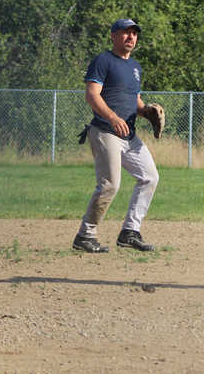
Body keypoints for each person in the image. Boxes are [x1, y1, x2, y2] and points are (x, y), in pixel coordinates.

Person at [73, 18, 160, 253]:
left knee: (150, 177)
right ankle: (85, 235)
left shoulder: (135, 67)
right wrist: (112, 117)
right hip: (105, 131)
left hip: (129, 135)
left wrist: (146, 112)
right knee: (110, 184)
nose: (131, 37)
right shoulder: (104, 60)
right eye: (125, 33)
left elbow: (135, 100)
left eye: (134, 33)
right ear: (113, 36)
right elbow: (92, 95)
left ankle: (130, 232)